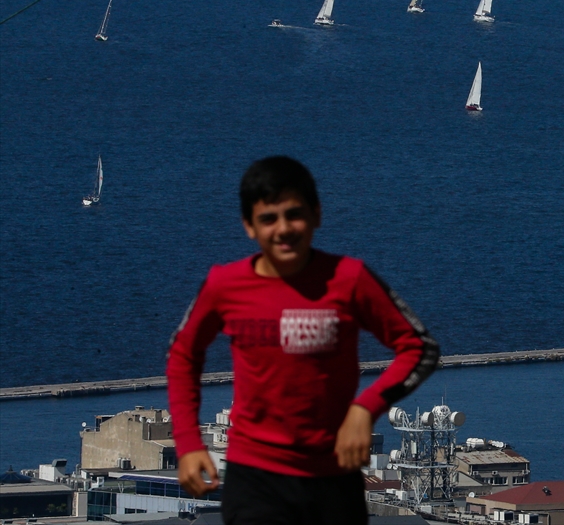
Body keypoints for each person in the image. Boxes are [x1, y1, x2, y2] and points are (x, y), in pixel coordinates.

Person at [166, 156, 440, 525]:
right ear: (249, 226)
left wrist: (365, 409)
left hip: (332, 479)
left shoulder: (349, 279)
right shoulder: (224, 285)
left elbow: (419, 347)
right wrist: (187, 442)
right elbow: (183, 355)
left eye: (294, 214)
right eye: (268, 219)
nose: (283, 229)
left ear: (317, 214)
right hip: (254, 479)